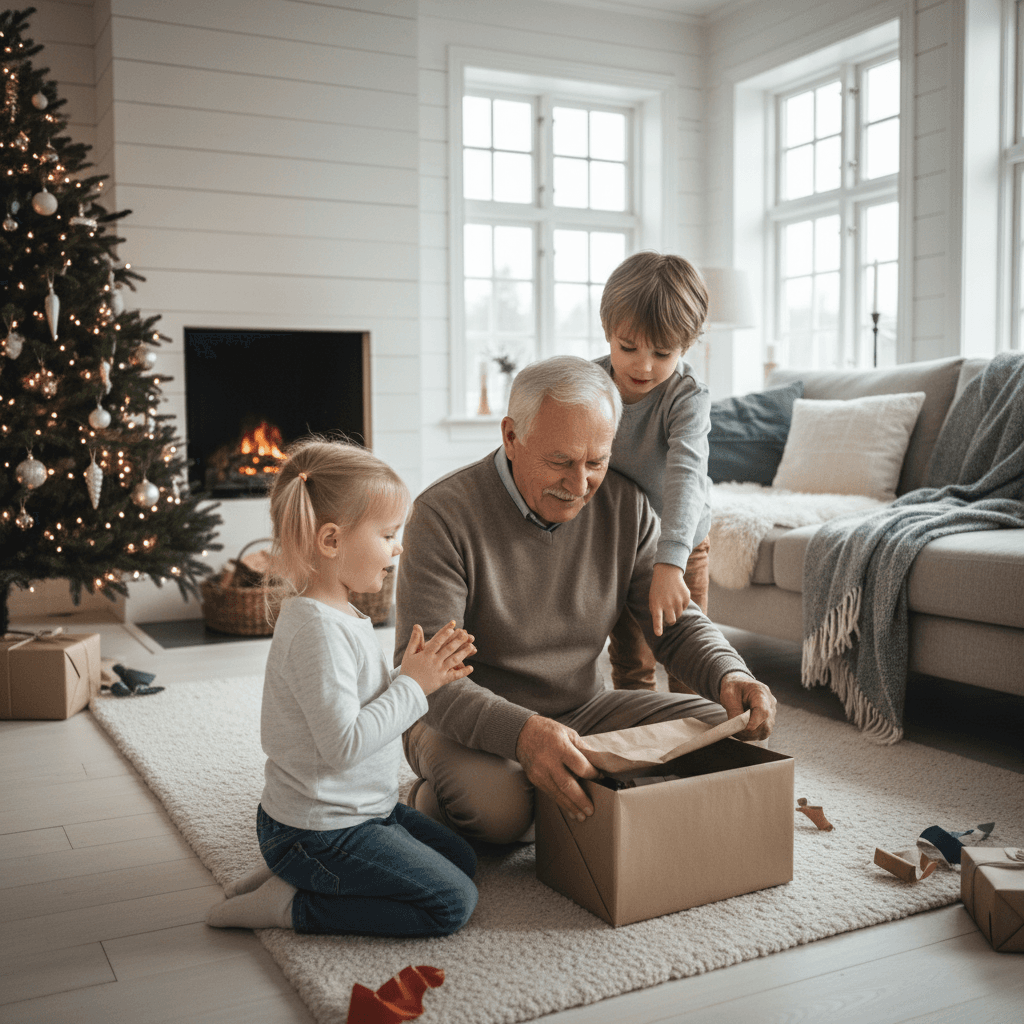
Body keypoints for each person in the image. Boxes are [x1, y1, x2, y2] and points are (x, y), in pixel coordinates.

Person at [396, 356, 776, 846]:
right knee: (500, 811)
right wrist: (524, 735)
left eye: (596, 462)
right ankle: (427, 803)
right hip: (460, 719)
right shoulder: (442, 516)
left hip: (582, 710)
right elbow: (430, 682)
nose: (579, 488)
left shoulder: (627, 507)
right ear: (511, 437)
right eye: (560, 462)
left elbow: (675, 624)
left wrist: (732, 674)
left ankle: (559, 787)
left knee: (727, 733)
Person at [206, 437, 479, 937]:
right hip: (319, 831)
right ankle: (288, 904)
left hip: (361, 810)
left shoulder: (341, 614)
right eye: (388, 533)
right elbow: (343, 744)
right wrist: (412, 688)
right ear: (331, 541)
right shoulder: (316, 631)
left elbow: (358, 706)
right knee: (450, 902)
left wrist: (416, 676)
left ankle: (289, 874)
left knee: (463, 859)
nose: (398, 547)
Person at [595, 251, 713, 693]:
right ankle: (637, 745)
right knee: (629, 660)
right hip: (623, 544)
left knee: (687, 657)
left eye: (662, 353)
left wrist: (671, 562)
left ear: (687, 345)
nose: (643, 366)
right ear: (607, 332)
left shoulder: (687, 397)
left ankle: (697, 747)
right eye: (628, 348)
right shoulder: (589, 385)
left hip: (682, 544)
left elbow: (687, 474)